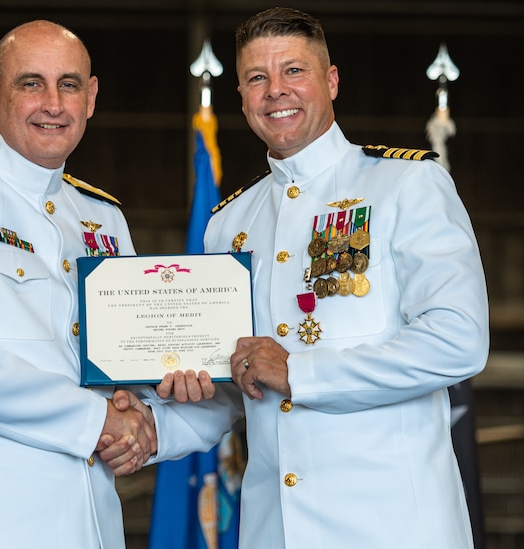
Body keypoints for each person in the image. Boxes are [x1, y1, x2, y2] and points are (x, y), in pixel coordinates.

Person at [0, 20, 241, 548]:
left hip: (88, 524)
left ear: (90, 97)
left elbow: (136, 370)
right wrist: (99, 420)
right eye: (31, 83)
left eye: (69, 84)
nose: (52, 103)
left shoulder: (103, 219)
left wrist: (158, 424)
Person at [165, 7, 490, 548]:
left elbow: (459, 340)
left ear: (331, 80)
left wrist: (301, 373)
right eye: (256, 78)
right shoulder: (228, 225)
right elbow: (232, 385)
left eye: (293, 71)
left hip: (394, 525)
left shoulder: (406, 184)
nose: (275, 91)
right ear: (242, 97)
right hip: (275, 527)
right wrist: (148, 430)